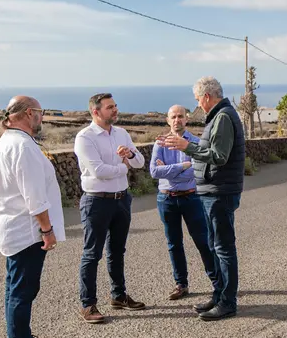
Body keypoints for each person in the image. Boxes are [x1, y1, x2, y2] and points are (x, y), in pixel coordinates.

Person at [157, 76, 245, 321]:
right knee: (215, 246)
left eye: (197, 99)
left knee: (223, 248)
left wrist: (187, 147)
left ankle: (227, 303)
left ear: (207, 96)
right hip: (213, 192)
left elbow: (219, 156)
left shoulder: (223, 117)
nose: (197, 104)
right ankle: (219, 296)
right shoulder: (219, 116)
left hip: (219, 192)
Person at [0, 95, 66, 338]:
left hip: (13, 227)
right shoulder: (22, 146)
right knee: (23, 290)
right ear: (29, 113)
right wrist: (47, 229)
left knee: (16, 289)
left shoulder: (7, 142)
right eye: (41, 112)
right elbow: (34, 195)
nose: (42, 117)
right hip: (27, 230)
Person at [73, 92, 145, 324]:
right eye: (109, 107)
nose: (115, 110)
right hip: (97, 201)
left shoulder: (122, 133)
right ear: (96, 112)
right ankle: (88, 304)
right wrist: (124, 168)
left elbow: (140, 162)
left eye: (115, 106)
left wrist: (130, 154)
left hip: (121, 199)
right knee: (92, 253)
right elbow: (99, 171)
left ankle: (119, 296)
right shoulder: (85, 137)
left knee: (117, 251)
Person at [149, 105, 218, 302]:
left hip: (191, 197)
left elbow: (197, 170)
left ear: (186, 119)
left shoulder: (196, 142)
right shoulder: (160, 143)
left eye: (180, 116)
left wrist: (169, 170)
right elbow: (154, 172)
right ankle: (181, 284)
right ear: (167, 120)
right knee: (174, 243)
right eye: (173, 117)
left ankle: (217, 282)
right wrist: (184, 165)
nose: (177, 120)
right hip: (166, 199)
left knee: (203, 241)